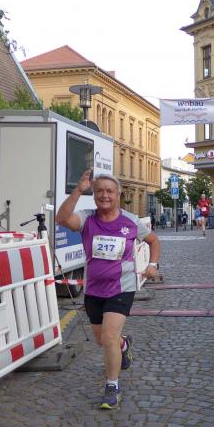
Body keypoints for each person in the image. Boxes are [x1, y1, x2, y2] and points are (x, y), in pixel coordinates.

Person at [56, 170, 161, 410]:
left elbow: (154, 240)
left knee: (109, 336)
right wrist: (78, 190)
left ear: (118, 194)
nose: (104, 195)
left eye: (109, 191)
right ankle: (124, 345)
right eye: (99, 191)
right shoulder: (86, 218)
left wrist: (152, 265)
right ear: (94, 195)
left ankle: (112, 386)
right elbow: (62, 219)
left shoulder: (130, 221)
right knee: (102, 340)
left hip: (121, 288)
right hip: (94, 289)